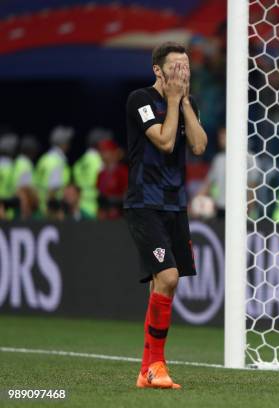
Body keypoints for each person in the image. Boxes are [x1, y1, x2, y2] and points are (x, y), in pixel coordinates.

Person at [124, 42, 207, 389]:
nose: (182, 74)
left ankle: (149, 371)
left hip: (176, 205)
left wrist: (184, 101)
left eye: (186, 68)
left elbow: (199, 145)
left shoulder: (187, 103)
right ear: (158, 70)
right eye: (176, 67)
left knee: (164, 286)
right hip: (145, 203)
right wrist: (173, 101)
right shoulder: (140, 99)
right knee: (169, 277)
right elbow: (165, 141)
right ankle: (155, 365)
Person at [34, 125, 73, 215]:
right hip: (51, 211)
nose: (69, 144)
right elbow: (53, 189)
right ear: (63, 143)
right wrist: (54, 212)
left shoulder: (44, 159)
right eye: (68, 141)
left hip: (40, 208)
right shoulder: (57, 161)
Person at [73, 128, 110, 218]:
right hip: (94, 208)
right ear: (98, 144)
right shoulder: (99, 161)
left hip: (79, 206)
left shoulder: (80, 161)